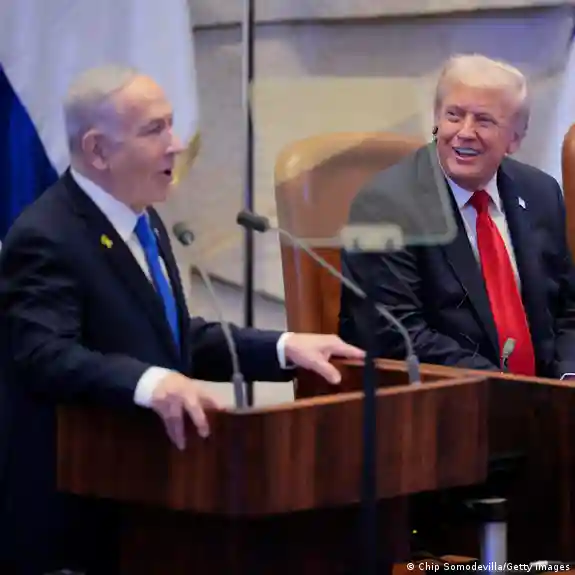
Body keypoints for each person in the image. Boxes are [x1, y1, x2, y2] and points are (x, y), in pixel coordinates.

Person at [0, 65, 365, 574]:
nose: (175, 145)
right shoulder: (46, 235)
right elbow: (45, 355)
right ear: (98, 150)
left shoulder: (142, 218)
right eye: (154, 130)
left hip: (148, 504)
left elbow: (172, 338)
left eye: (171, 125)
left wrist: (285, 347)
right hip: (75, 517)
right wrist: (151, 384)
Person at [339, 53, 575, 378]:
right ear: (436, 120)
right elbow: (395, 334)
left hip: (547, 395)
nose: (465, 132)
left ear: (515, 139)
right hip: (447, 396)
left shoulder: (540, 192)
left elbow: (568, 307)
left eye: (484, 121)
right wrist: (506, 390)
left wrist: (568, 376)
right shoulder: (385, 206)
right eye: (454, 115)